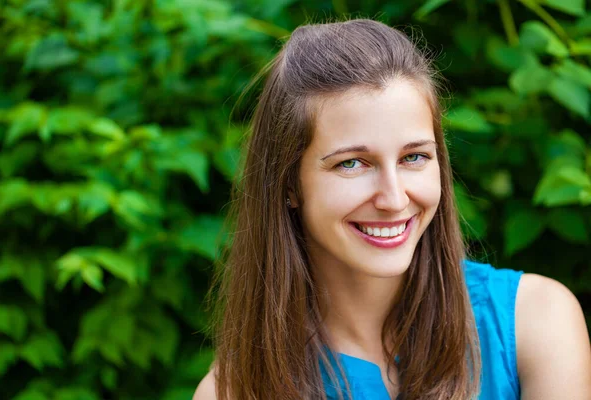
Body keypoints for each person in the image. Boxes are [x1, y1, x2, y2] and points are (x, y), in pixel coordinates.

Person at [193, 19, 591, 399]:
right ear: (288, 184)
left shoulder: (533, 322)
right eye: (351, 163)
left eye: (413, 157)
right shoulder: (235, 391)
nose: (395, 199)